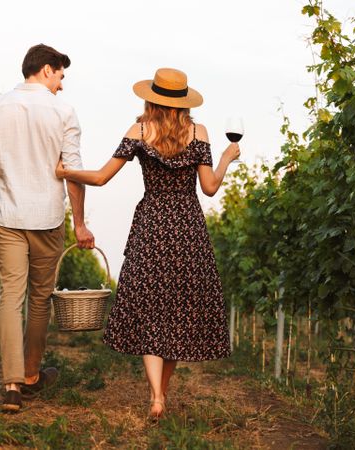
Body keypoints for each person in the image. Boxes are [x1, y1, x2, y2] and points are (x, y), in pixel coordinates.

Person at [55, 68, 238, 419]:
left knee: (153, 310)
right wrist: (228, 158)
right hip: (188, 227)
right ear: (183, 101)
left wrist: (66, 173)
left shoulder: (139, 130)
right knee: (179, 313)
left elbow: (100, 177)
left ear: (150, 98)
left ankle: (156, 396)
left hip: (152, 225)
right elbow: (210, 188)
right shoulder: (198, 132)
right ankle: (161, 394)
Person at [0, 44, 94, 413]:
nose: (62, 85)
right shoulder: (63, 112)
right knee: (40, 300)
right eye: (61, 76)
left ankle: (11, 385)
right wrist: (81, 224)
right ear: (48, 69)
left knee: (10, 297)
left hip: (7, 216)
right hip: (47, 218)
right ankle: (33, 375)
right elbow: (73, 173)